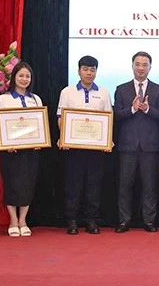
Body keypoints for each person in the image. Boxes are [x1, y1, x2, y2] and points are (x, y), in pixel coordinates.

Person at [57, 55, 113, 235]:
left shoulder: (103, 92)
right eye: (86, 69)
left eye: (92, 70)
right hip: (74, 147)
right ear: (79, 71)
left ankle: (91, 220)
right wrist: (64, 137)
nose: (89, 73)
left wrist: (108, 139)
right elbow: (61, 118)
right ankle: (72, 220)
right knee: (73, 184)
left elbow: (108, 119)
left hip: (96, 147)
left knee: (94, 185)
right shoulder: (67, 92)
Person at [114, 51, 159, 233]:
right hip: (127, 146)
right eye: (137, 64)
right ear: (132, 66)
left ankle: (149, 221)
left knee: (149, 186)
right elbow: (116, 115)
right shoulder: (121, 89)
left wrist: (146, 109)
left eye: (145, 65)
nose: (141, 68)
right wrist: (132, 108)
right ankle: (124, 221)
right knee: (125, 186)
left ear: (150, 67)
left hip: (150, 146)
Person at [0, 62, 43, 237]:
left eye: (27, 76)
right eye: (21, 75)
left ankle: (23, 220)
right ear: (14, 77)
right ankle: (13, 220)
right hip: (10, 150)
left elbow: (40, 124)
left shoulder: (36, 99)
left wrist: (40, 140)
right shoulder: (3, 99)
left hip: (31, 150)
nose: (24, 79)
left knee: (28, 183)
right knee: (11, 183)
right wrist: (6, 143)